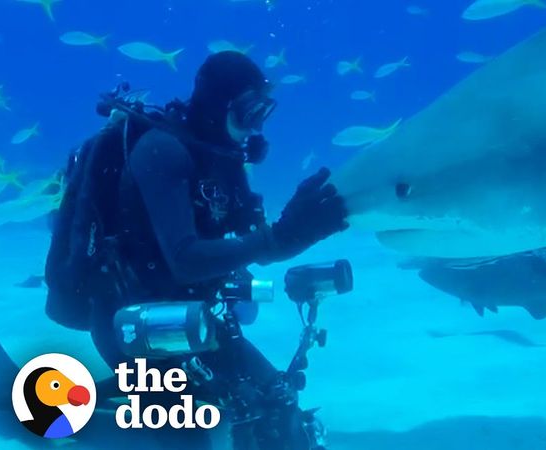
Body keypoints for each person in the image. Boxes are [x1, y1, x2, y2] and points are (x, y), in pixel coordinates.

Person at [57, 51, 348, 449]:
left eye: (263, 113)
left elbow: (258, 246)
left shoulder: (223, 157)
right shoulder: (162, 152)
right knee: (193, 438)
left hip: (199, 324)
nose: (255, 127)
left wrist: (299, 231)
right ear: (218, 106)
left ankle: (118, 399)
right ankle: (94, 402)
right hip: (132, 326)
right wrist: (276, 239)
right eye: (249, 112)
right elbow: (185, 261)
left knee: (277, 405)